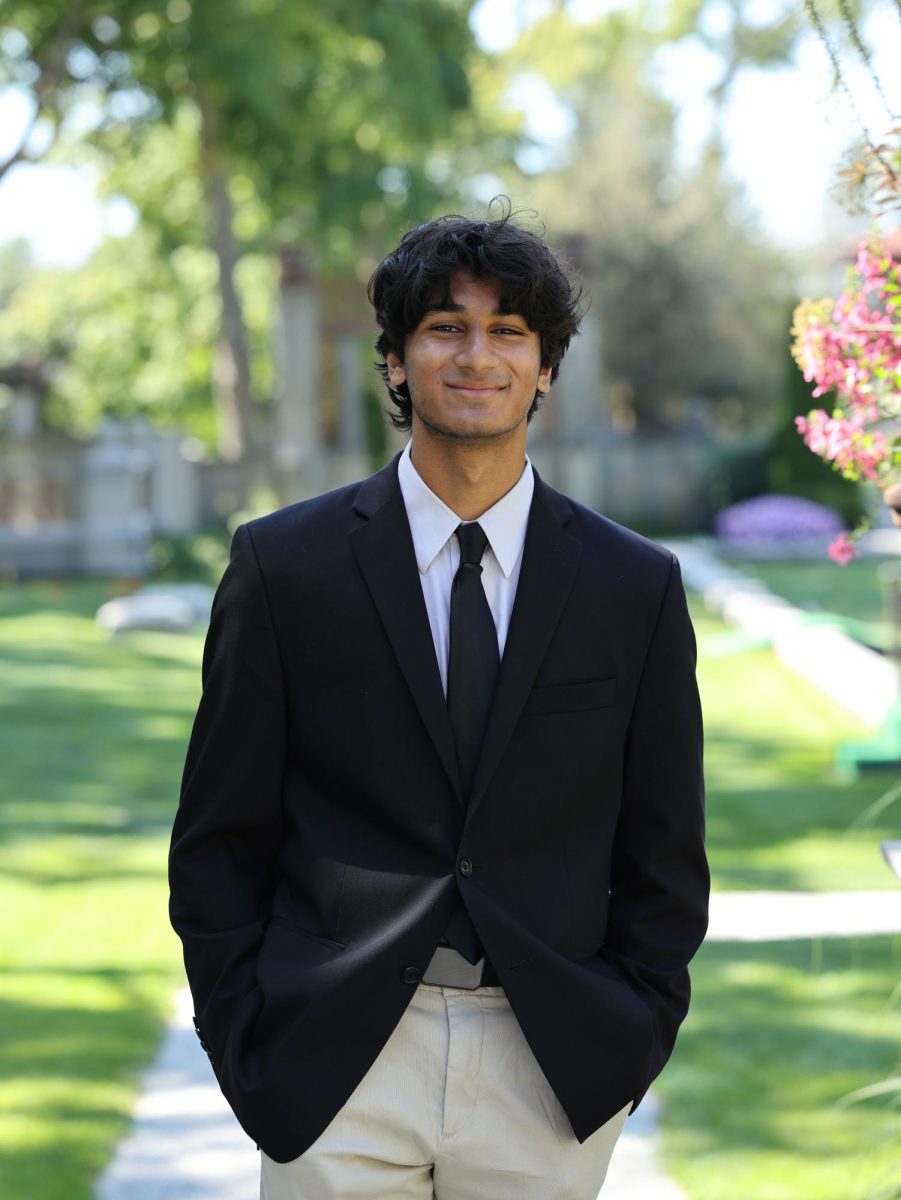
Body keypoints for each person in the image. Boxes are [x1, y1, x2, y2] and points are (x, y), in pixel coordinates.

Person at [169, 204, 709, 1200]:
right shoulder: (282, 568)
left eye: (508, 331)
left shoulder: (633, 588)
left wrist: (630, 1036)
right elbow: (217, 839)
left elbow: (664, 853)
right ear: (396, 358)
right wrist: (245, 1040)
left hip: (545, 1066)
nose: (478, 354)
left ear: (545, 367)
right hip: (332, 1063)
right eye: (445, 327)